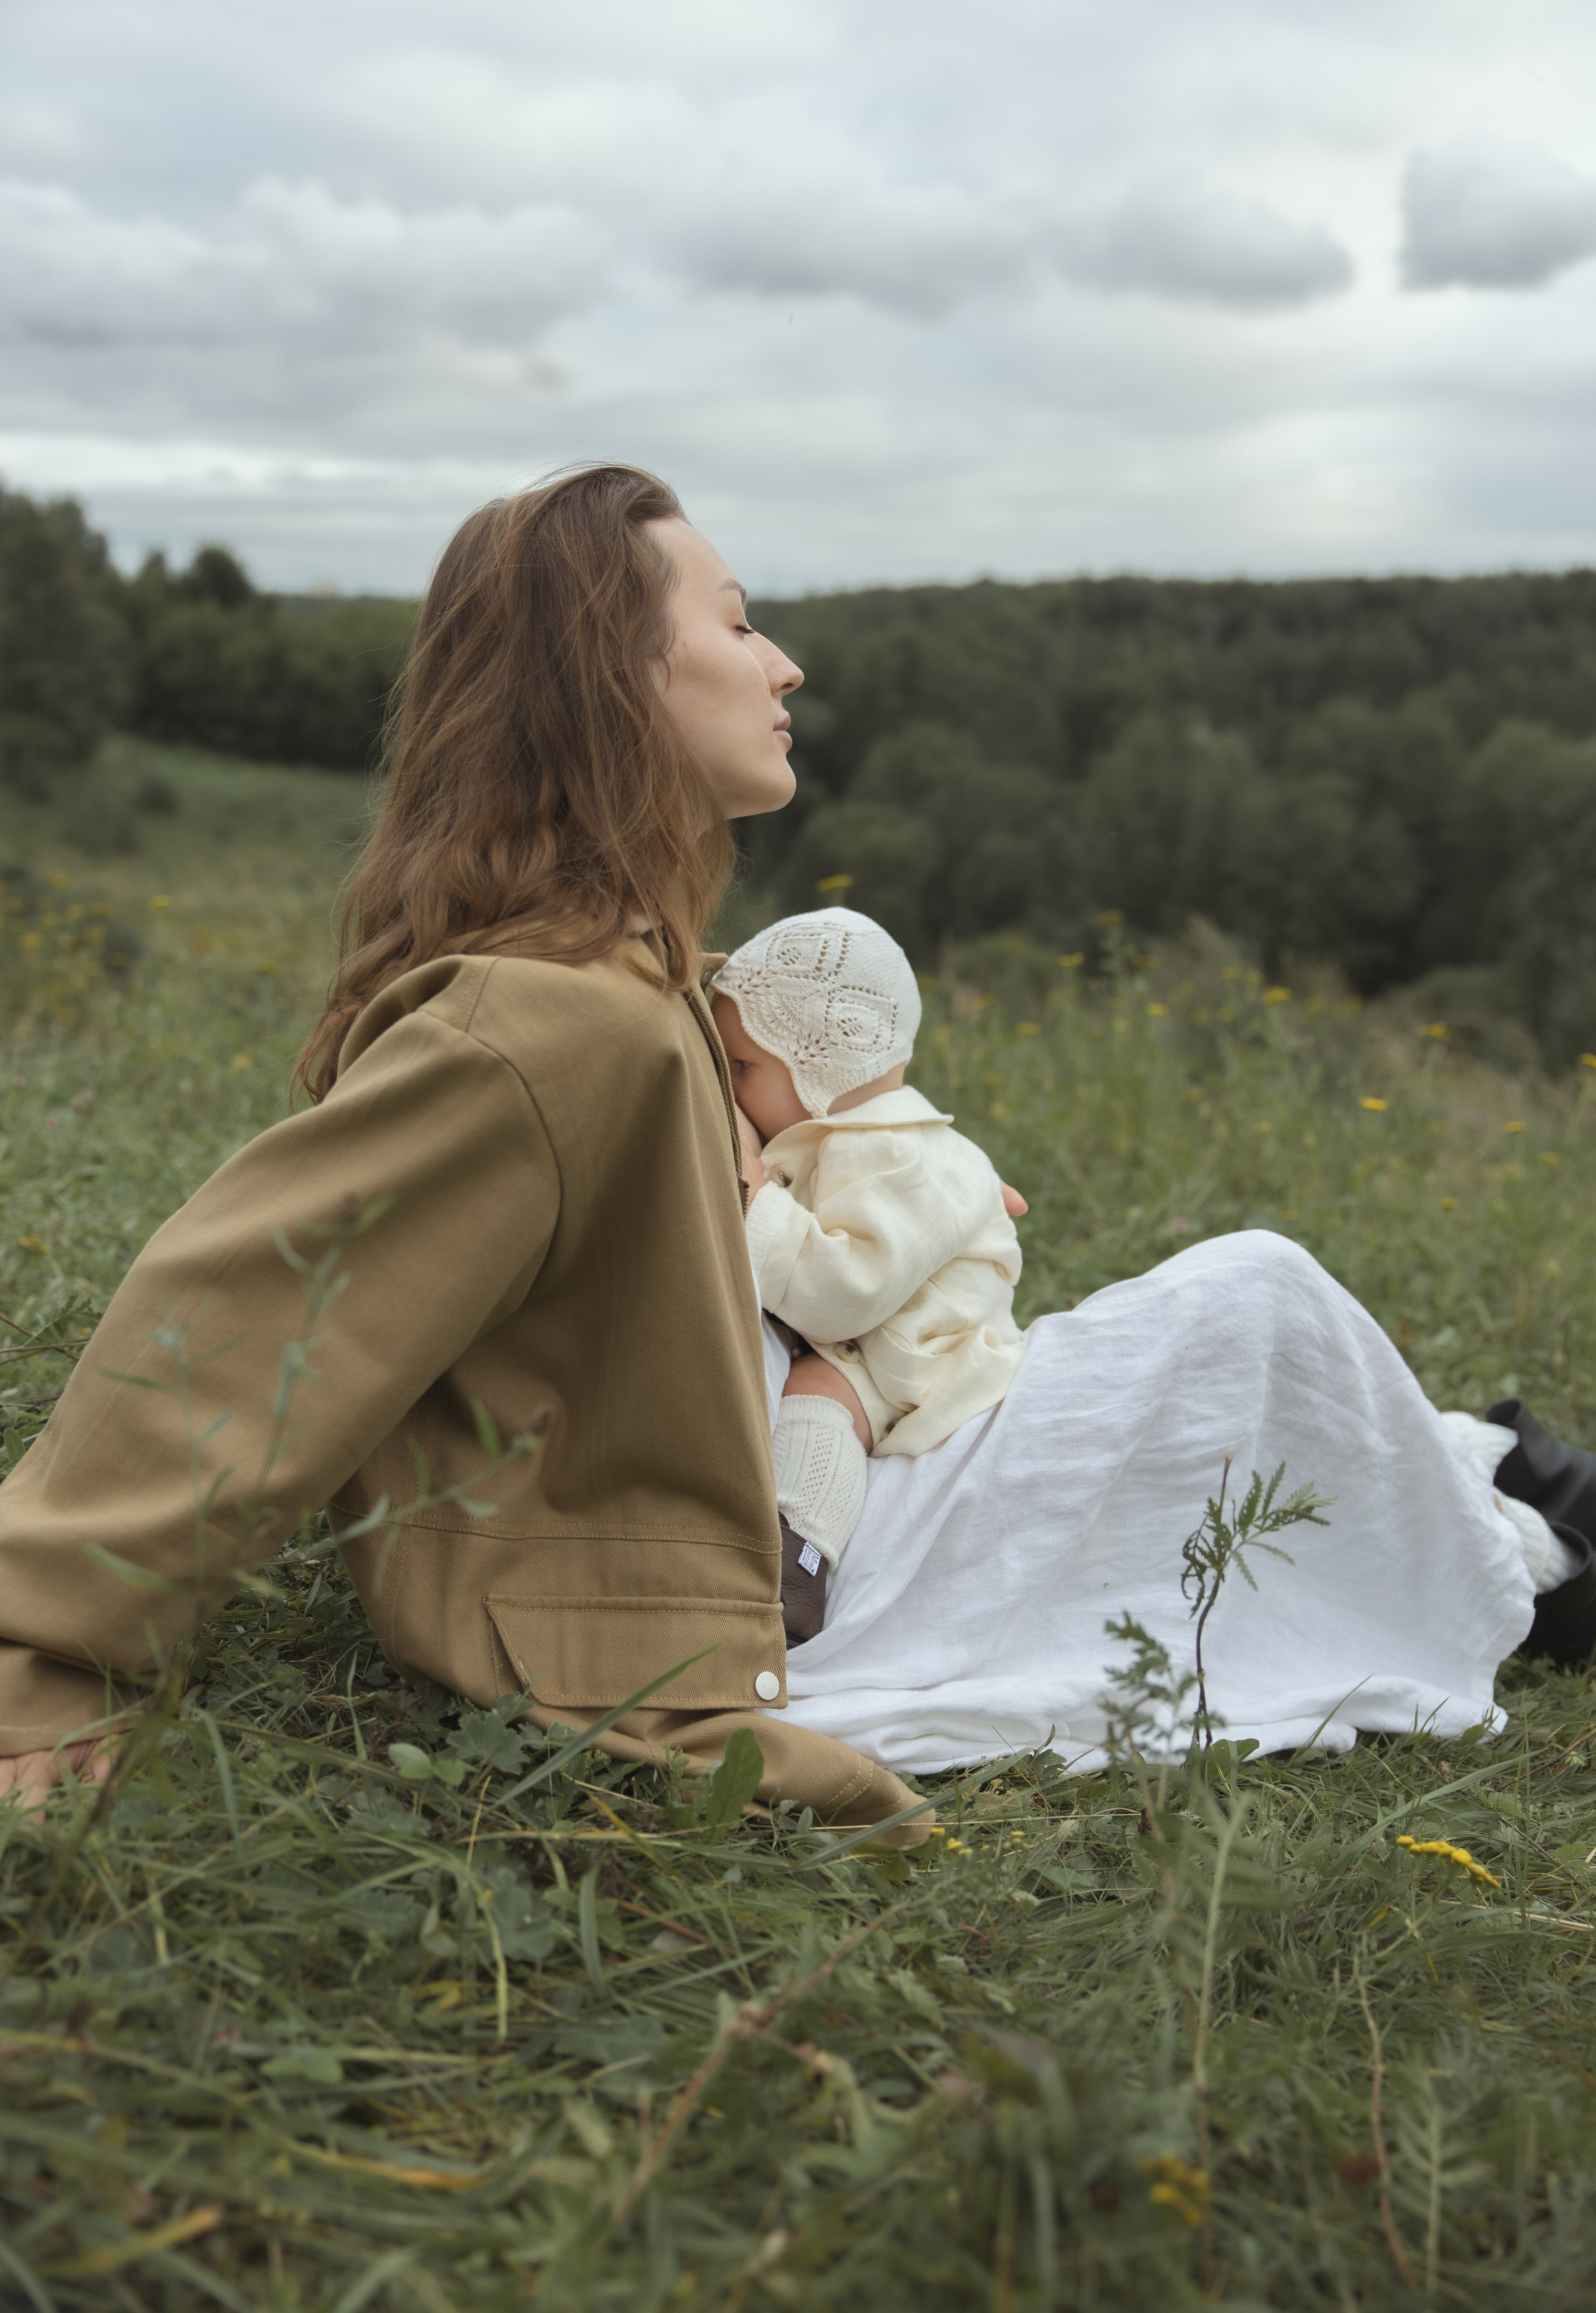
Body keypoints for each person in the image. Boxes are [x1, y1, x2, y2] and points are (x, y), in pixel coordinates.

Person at [4, 461, 1595, 1807]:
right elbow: (238, 1314)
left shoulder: (633, 985)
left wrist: (901, 1181)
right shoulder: (553, 1024)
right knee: (1254, 1303)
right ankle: (1529, 1537)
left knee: (1241, 1354)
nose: (785, 667)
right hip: (790, 1569)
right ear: (611, 681)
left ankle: (1516, 1487)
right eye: (738, 622)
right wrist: (45, 1649)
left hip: (808, 1482)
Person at [709, 907, 1027, 1630]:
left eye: (745, 1066)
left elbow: (843, 1290)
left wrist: (751, 1187)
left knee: (821, 1392)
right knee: (816, 1381)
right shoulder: (846, 1141)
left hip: (924, 1356)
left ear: (823, 1068)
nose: (728, 1086)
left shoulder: (902, 1156)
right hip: (869, 1344)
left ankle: (797, 1559)